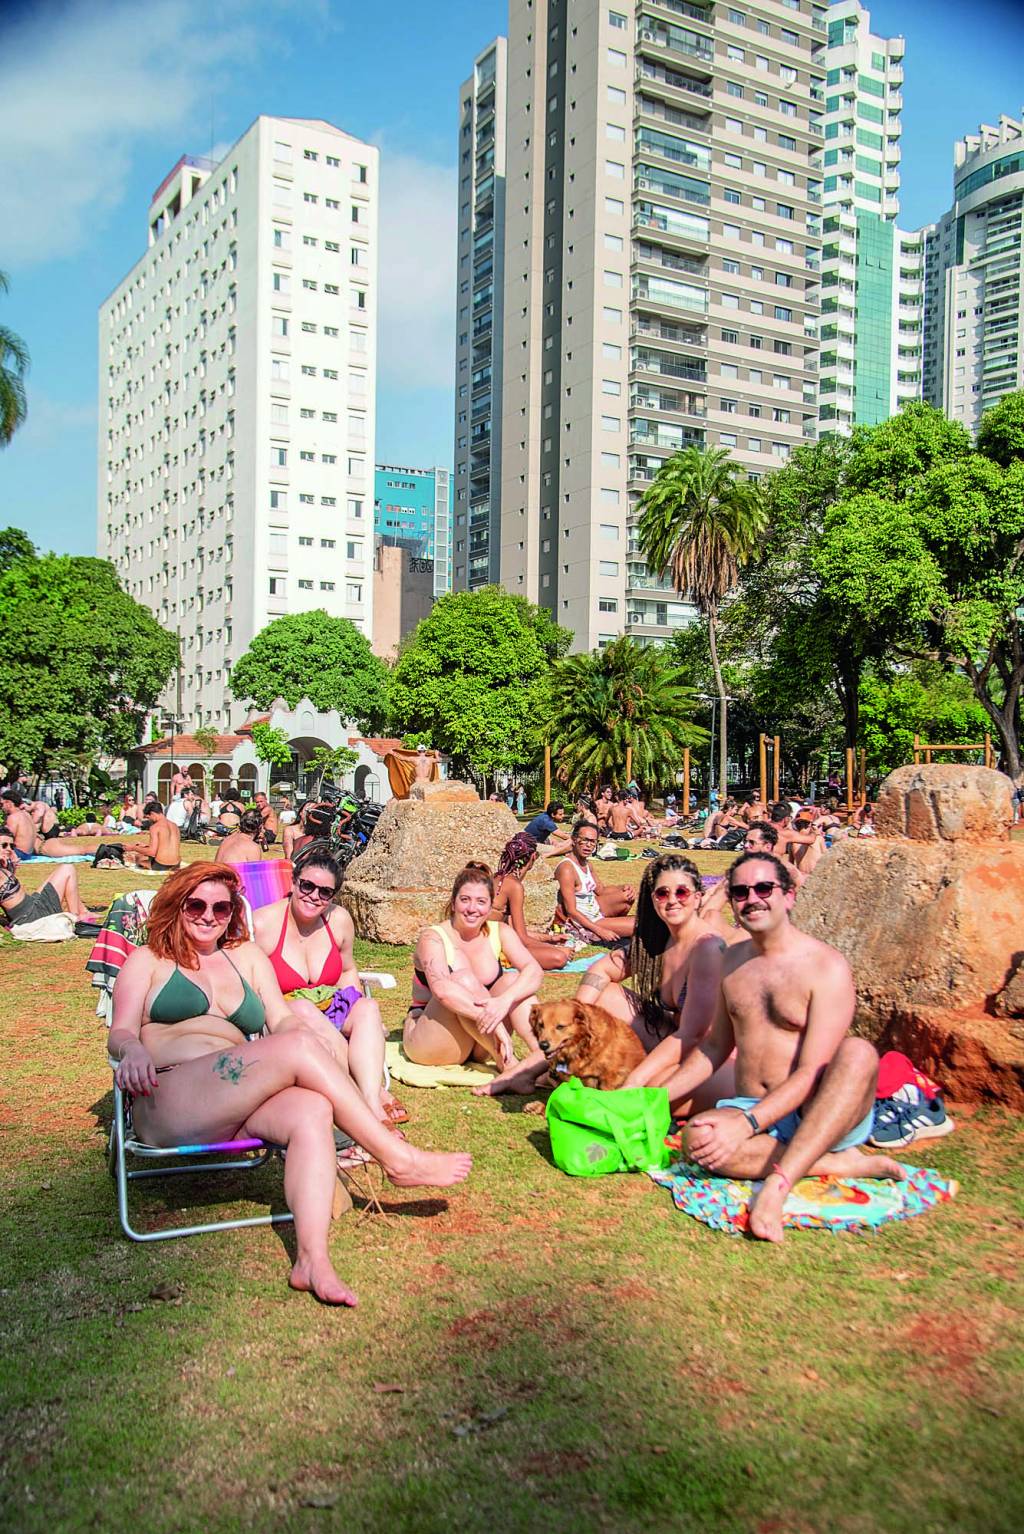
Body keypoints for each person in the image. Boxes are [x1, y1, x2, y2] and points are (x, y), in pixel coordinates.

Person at [108, 863, 472, 1304]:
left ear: (232, 912)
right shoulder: (147, 960)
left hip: (238, 1097)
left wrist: (322, 1044)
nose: (209, 915)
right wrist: (134, 1051)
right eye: (196, 904)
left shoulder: (246, 957)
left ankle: (312, 1260)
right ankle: (397, 1158)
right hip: (171, 1097)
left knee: (310, 1109)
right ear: (176, 905)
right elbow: (121, 1030)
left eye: (221, 907)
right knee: (298, 1047)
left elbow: (280, 1018)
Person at [659, 851, 906, 1243]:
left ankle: (780, 1182)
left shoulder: (825, 966)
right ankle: (835, 1164)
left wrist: (747, 1124)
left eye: (763, 888)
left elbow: (811, 1072)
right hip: (754, 1109)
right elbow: (715, 1047)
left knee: (858, 1052)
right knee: (696, 1141)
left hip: (816, 1112)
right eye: (740, 891)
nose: (751, 898)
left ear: (789, 896)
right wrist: (651, 1099)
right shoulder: (732, 962)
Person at [253, 850, 403, 1124]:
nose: (314, 896)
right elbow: (252, 983)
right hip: (287, 1016)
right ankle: (371, 1098)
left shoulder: (340, 920)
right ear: (293, 883)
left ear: (333, 896)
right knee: (305, 1009)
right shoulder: (263, 924)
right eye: (307, 886)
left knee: (368, 1008)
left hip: (331, 1006)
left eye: (325, 892)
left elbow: (347, 971)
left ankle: (368, 1100)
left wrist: (355, 1003)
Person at [577, 855, 734, 1100]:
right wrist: (576, 1022)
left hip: (711, 1054)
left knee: (647, 1088)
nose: (672, 900)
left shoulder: (707, 947)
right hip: (672, 1037)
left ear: (697, 897)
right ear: (653, 899)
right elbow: (600, 970)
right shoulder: (661, 939)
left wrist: (634, 1081)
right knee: (603, 995)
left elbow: (694, 1033)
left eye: (681, 892)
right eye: (663, 893)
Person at [403, 862, 544, 1078]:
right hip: (432, 1037)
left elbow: (534, 971)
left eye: (481, 902)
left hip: (480, 1042)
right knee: (463, 980)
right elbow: (442, 991)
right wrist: (494, 1023)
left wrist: (504, 1001)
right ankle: (510, 1067)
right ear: (453, 903)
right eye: (465, 900)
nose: (472, 909)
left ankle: (544, 1057)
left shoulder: (500, 932)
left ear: (490, 906)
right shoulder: (432, 938)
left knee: (513, 981)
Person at [488, 832, 570, 973]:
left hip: (485, 941)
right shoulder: (514, 886)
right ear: (533, 857)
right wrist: (556, 949)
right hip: (490, 948)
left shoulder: (498, 878)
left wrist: (551, 939)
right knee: (559, 957)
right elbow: (522, 938)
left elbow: (514, 929)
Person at [555, 822, 635, 944]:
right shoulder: (567, 869)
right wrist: (600, 930)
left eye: (593, 841)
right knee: (642, 925)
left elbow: (601, 890)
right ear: (574, 840)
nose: (589, 845)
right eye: (585, 840)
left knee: (627, 896)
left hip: (594, 908)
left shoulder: (587, 864)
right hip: (585, 920)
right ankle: (611, 927)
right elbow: (571, 911)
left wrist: (623, 887)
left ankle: (615, 926)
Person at [0, 828, 95, 926]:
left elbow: (9, 891)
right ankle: (74, 918)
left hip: (31, 906)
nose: (9, 849)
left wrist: (11, 869)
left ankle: (82, 912)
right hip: (32, 916)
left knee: (61, 872)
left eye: (12, 846)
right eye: (4, 845)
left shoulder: (3, 867)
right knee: (67, 868)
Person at [124, 802, 181, 871]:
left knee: (139, 857)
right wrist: (145, 846)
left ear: (152, 813)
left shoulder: (155, 827)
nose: (149, 820)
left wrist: (133, 848)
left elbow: (152, 852)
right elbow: (167, 845)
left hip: (162, 865)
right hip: (176, 864)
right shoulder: (174, 826)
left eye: (148, 817)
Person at [1, 788, 39, 859]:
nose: (1, 807)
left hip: (19, 853)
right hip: (28, 853)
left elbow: (7, 838)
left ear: (9, 803)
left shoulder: (13, 817)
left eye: (2, 804)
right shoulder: (26, 814)